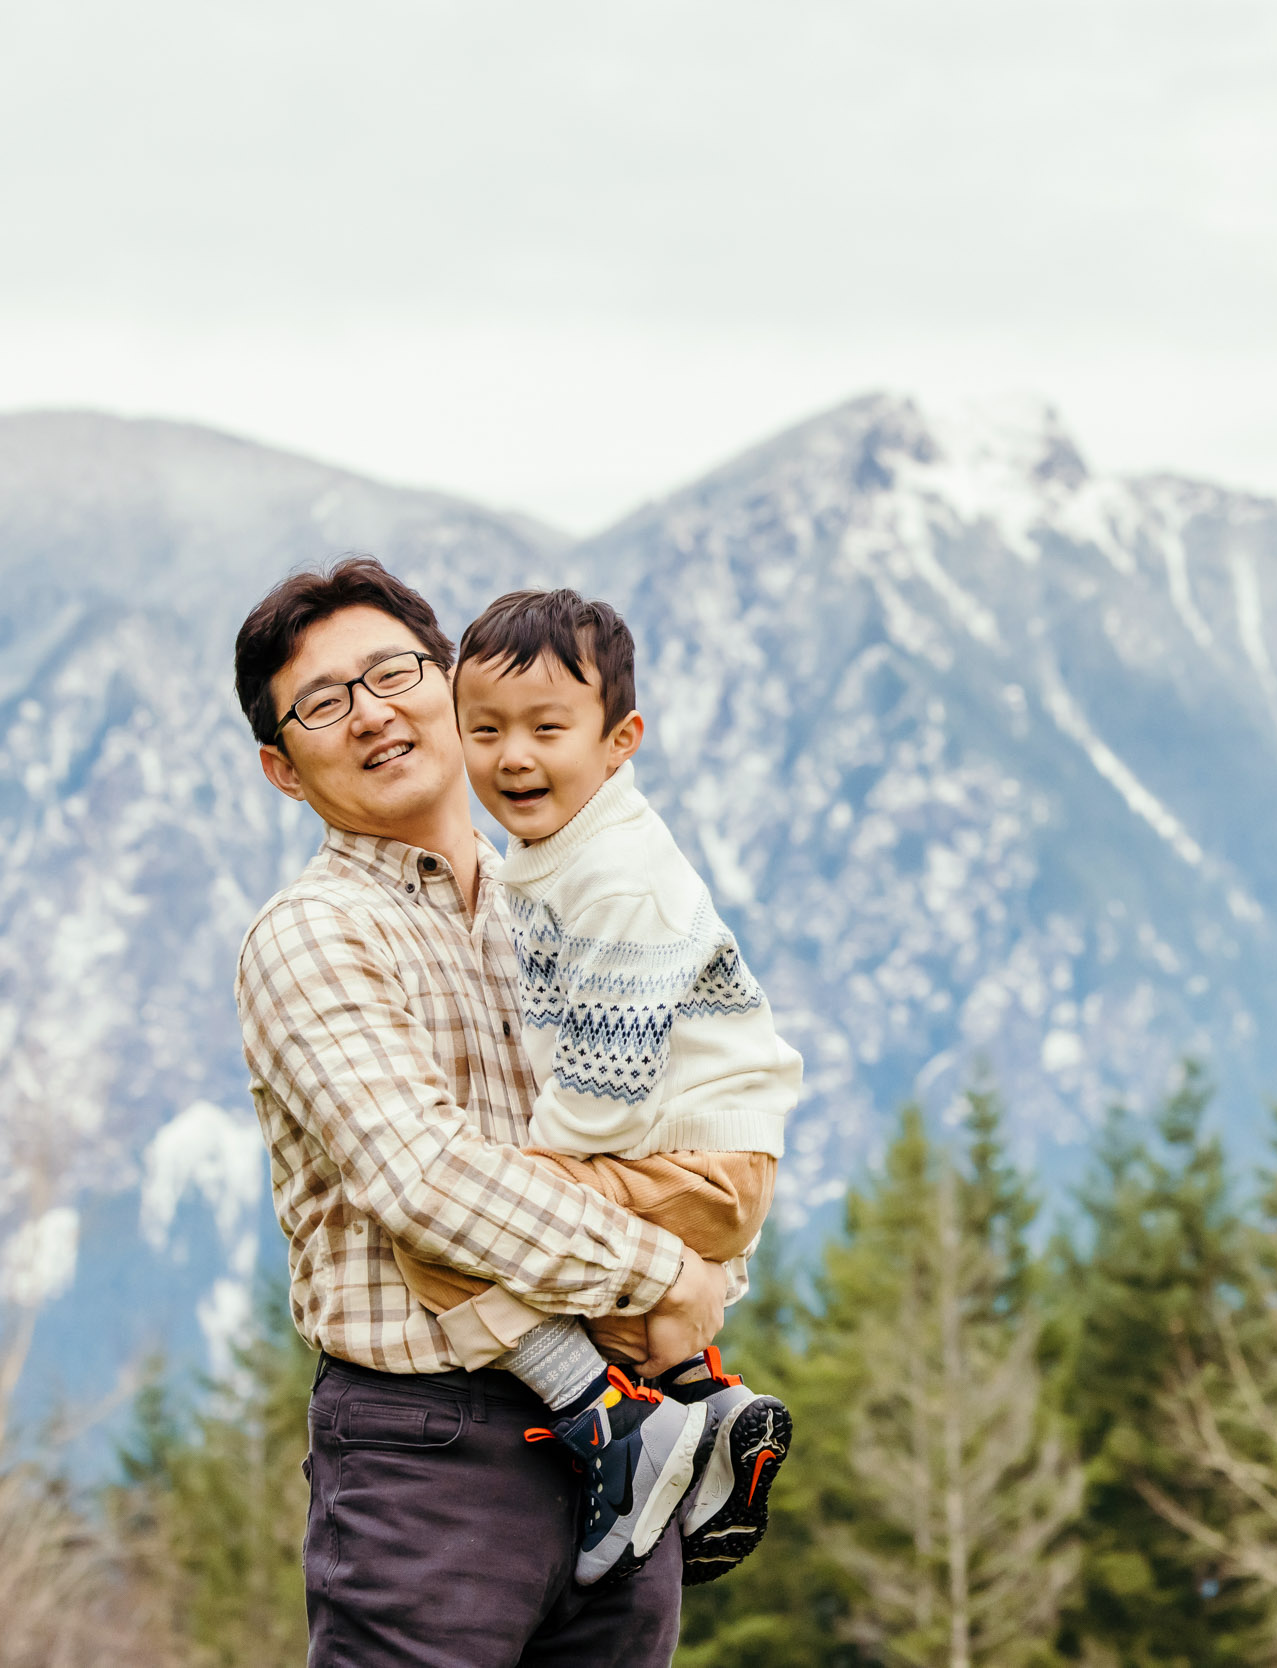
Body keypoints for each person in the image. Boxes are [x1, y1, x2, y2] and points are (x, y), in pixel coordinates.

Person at [231, 557, 728, 1668]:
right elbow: (423, 1176)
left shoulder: (561, 904)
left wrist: (707, 1275)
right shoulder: (314, 936)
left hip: (627, 1441)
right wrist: (663, 1278)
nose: (371, 713)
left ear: (450, 686)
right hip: (429, 1458)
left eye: (393, 672)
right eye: (323, 703)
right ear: (282, 766)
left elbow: (686, 1106)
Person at [390, 588, 798, 1590]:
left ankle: (609, 1420)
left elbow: (604, 1092)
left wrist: (516, 1182)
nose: (512, 757)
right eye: (482, 729)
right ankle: (698, 1403)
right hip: (691, 1156)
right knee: (557, 1260)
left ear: (620, 739)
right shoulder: (559, 851)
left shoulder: (615, 879)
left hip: (685, 1157)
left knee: (448, 1225)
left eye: (546, 729)